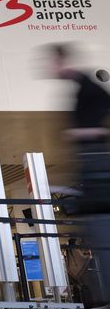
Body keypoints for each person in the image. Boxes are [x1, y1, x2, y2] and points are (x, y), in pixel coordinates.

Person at [47, 44, 110, 307]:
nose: (50, 69)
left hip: (97, 178)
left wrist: (77, 134)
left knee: (104, 240)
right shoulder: (79, 88)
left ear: (62, 61)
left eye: (52, 63)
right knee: (101, 241)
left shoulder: (88, 88)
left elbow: (100, 127)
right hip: (92, 176)